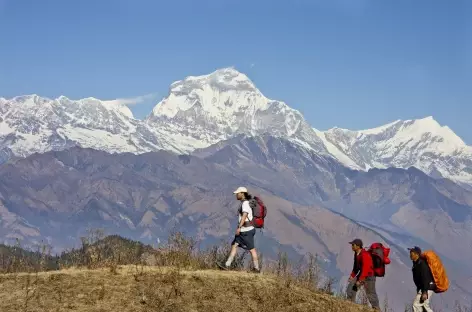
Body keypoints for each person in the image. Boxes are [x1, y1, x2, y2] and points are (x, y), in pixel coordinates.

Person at [217, 186, 260, 273]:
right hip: (245, 230)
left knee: (252, 249)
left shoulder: (245, 204)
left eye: (237, 193)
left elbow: (244, 215)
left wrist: (239, 228)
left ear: (242, 194)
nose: (236, 195)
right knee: (234, 245)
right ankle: (227, 265)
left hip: (246, 230)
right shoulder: (245, 203)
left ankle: (256, 269)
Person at [346, 238, 380, 310]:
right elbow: (356, 267)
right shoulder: (356, 254)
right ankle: (350, 304)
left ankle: (376, 309)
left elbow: (366, 268)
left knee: (370, 293)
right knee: (351, 286)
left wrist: (360, 280)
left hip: (370, 276)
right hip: (362, 274)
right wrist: (352, 276)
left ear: (358, 246)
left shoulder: (364, 255)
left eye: (353, 245)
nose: (352, 246)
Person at [408, 246, 435, 312]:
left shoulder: (422, 264)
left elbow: (425, 278)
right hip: (425, 287)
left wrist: (424, 292)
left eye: (412, 253)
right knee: (424, 306)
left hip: (427, 287)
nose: (410, 254)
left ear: (417, 254)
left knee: (416, 305)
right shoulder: (416, 264)